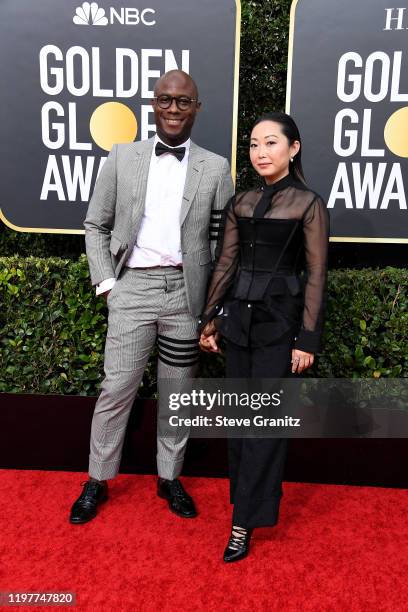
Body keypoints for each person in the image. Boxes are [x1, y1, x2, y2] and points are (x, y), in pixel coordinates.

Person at [69, 70, 234, 524]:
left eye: (184, 102)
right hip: (133, 291)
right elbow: (95, 226)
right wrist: (108, 285)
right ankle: (97, 479)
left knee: (177, 395)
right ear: (154, 105)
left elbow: (224, 244)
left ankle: (169, 476)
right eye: (166, 100)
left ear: (197, 108)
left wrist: (212, 307)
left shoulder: (217, 168)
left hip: (187, 295)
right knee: (116, 389)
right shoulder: (122, 157)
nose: (174, 109)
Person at [199, 112, 329, 562]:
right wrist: (210, 319)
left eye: (271, 143)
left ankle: (243, 524)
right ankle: (244, 507)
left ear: (293, 149)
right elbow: (225, 265)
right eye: (254, 144)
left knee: (265, 428)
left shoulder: (308, 204)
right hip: (238, 326)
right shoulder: (240, 202)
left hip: (280, 327)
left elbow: (315, 273)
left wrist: (307, 339)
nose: (260, 152)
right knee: (239, 425)